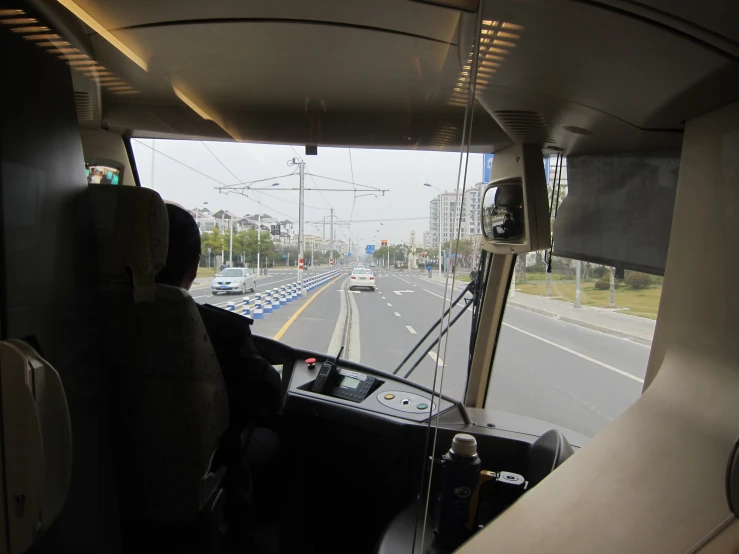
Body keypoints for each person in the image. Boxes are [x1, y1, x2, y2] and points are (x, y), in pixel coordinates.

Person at [156, 204, 282, 546]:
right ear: (194, 266)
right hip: (196, 479)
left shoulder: (85, 322)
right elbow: (270, 397)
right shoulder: (216, 330)